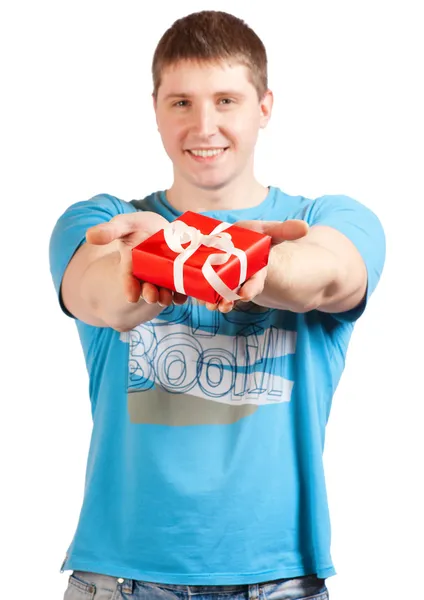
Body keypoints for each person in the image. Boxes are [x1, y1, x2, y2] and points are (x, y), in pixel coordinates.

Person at [49, 10, 385, 600]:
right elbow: (100, 294)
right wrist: (152, 256)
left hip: (281, 582)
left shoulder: (326, 221)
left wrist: (237, 262)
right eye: (181, 103)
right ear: (155, 108)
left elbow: (327, 278)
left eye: (226, 100)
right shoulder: (101, 221)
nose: (204, 126)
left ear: (264, 106)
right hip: (122, 580)